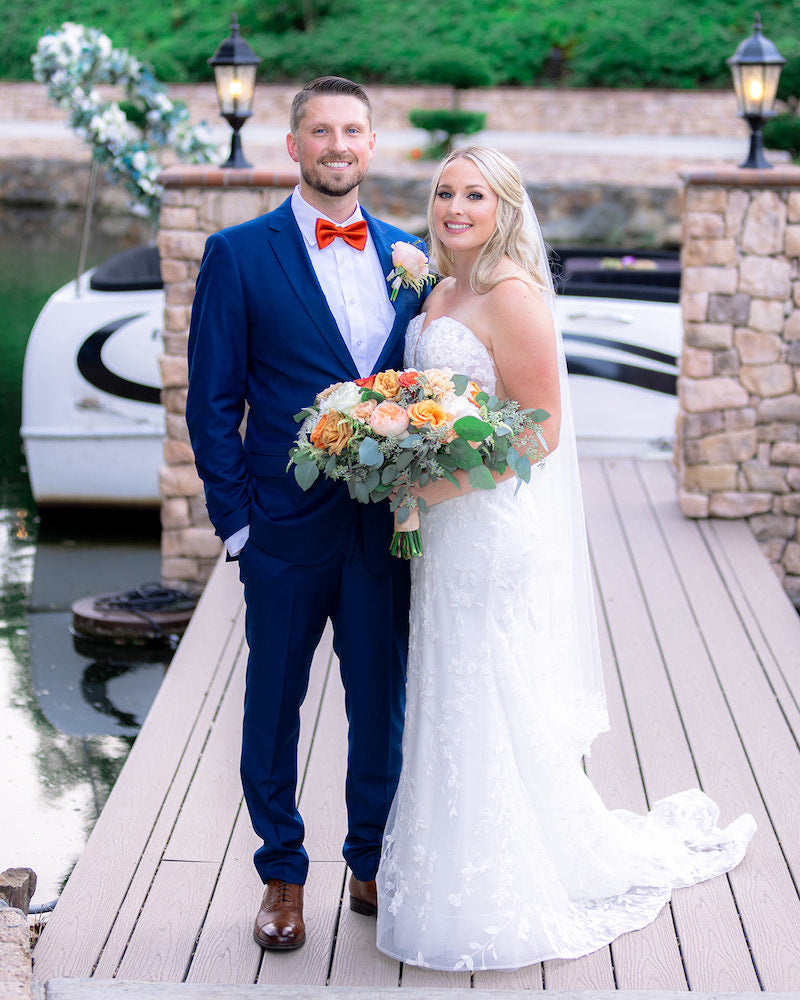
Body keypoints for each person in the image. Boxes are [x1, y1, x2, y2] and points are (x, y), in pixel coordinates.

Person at [375, 146, 756, 971]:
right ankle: (449, 865)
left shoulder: (512, 295)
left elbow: (540, 429)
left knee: (479, 686)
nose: (455, 207)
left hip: (479, 525)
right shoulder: (440, 288)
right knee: (449, 686)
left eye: (475, 194)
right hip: (438, 527)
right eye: (445, 192)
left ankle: (495, 883)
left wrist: (432, 493)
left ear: (505, 206)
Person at [186, 76, 426, 951]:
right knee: (273, 704)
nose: (336, 145)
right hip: (281, 531)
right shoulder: (239, 254)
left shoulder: (409, 254)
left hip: (380, 532)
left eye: (352, 131)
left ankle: (368, 862)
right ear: (293, 146)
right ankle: (282, 874)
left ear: (371, 145)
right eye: (320, 131)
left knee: (381, 703)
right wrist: (239, 521)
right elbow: (211, 401)